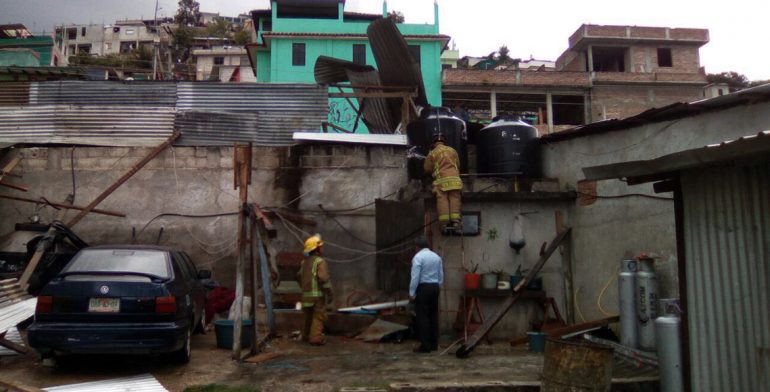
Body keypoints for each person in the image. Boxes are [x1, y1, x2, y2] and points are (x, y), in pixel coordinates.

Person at [409, 236, 443, 353]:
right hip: (435, 287)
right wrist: (438, 285)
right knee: (433, 316)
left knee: (423, 317)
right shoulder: (436, 257)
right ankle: (434, 344)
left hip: (424, 288)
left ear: (418, 247)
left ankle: (425, 346)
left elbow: (415, 277)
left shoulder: (418, 257)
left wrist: (412, 292)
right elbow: (441, 275)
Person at [297, 234, 333, 345]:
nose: (322, 248)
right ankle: (315, 338)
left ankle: (305, 336)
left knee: (307, 316)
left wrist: (304, 287)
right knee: (318, 316)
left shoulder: (304, 263)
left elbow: (298, 276)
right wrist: (330, 293)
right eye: (321, 247)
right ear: (316, 249)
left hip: (305, 295)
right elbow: (323, 278)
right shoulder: (320, 262)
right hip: (317, 295)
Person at [424, 133, 463, 230]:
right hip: (455, 180)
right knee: (455, 198)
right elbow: (458, 164)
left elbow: (427, 169)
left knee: (442, 199)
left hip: (442, 181)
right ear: (443, 142)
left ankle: (444, 223)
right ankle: (455, 221)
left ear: (433, 143)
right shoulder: (452, 150)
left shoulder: (432, 153)